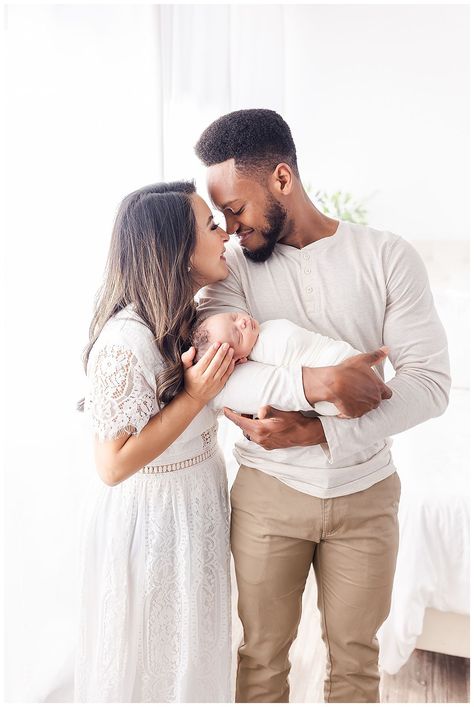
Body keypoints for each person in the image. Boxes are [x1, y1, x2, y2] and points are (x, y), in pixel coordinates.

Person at [74, 180, 385, 703]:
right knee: (152, 663)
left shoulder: (186, 320)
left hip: (198, 507)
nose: (227, 235)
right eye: (211, 225)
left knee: (193, 660)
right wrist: (194, 398)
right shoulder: (125, 340)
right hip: (153, 522)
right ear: (176, 247)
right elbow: (111, 465)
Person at [194, 108, 450, 703]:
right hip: (265, 497)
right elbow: (218, 380)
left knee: (358, 666)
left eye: (236, 209)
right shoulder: (228, 272)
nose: (228, 229)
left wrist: (318, 434)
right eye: (221, 217)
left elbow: (431, 384)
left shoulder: (387, 256)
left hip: (366, 495)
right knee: (259, 659)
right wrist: (320, 384)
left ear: (282, 180)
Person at [191, 312, 366, 415]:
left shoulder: (265, 330)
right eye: (238, 334)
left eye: (234, 317)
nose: (242, 322)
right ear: (239, 360)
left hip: (345, 361)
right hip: (341, 379)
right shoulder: (261, 355)